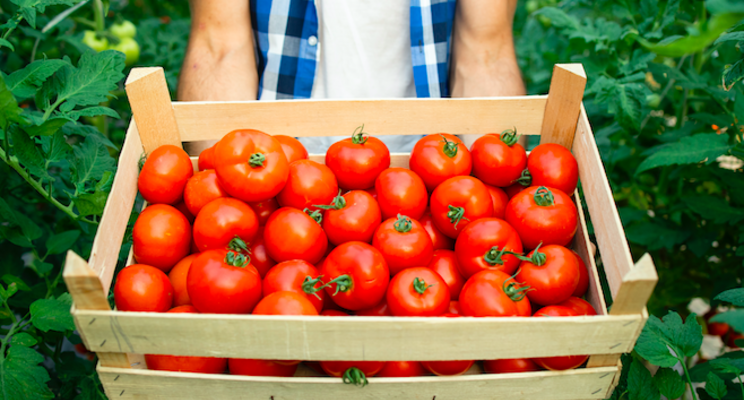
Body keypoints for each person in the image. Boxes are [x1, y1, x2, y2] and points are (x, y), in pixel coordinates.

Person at [178, 0, 524, 154]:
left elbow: (485, 54)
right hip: (272, 176)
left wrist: (485, 215)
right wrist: (221, 205)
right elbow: (219, 46)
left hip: (427, 185)